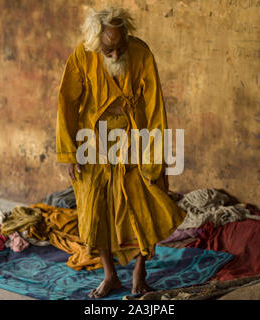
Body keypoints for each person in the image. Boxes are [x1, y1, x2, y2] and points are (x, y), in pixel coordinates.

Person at [56, 6, 186, 298]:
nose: (115, 56)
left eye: (120, 47)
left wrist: (153, 162)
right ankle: (109, 274)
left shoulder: (141, 54)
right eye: (108, 50)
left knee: (145, 206)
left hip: (135, 140)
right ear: (95, 43)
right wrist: (70, 152)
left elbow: (154, 108)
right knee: (96, 208)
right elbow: (66, 103)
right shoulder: (82, 56)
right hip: (94, 143)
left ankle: (141, 271)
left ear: (128, 37)